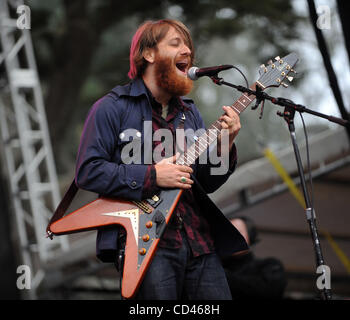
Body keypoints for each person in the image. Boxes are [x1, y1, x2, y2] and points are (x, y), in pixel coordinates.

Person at [75, 19, 248, 300]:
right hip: (148, 243)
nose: (187, 51)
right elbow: (88, 171)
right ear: (149, 54)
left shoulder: (189, 114)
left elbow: (206, 182)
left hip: (200, 243)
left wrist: (226, 144)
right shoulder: (111, 108)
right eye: (175, 43)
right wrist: (153, 176)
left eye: (188, 46)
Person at [223, 217, 287, 299]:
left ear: (251, 236)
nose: (231, 237)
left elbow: (269, 291)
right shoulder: (216, 267)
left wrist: (224, 277)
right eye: (226, 234)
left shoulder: (270, 265)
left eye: (237, 232)